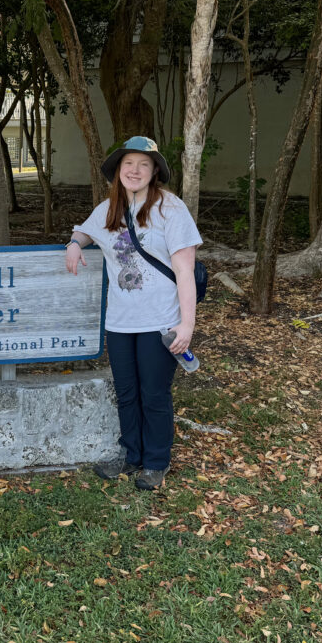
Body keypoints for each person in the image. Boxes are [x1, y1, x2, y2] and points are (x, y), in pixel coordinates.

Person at [65, 136, 202, 490]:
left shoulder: (170, 209)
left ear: (155, 170)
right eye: (129, 164)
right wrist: (74, 244)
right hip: (120, 322)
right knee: (126, 392)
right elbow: (85, 231)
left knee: (154, 393)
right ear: (119, 170)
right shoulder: (108, 209)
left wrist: (186, 324)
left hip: (161, 321)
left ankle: (156, 462)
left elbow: (185, 270)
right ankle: (132, 456)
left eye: (144, 164)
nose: (135, 170)